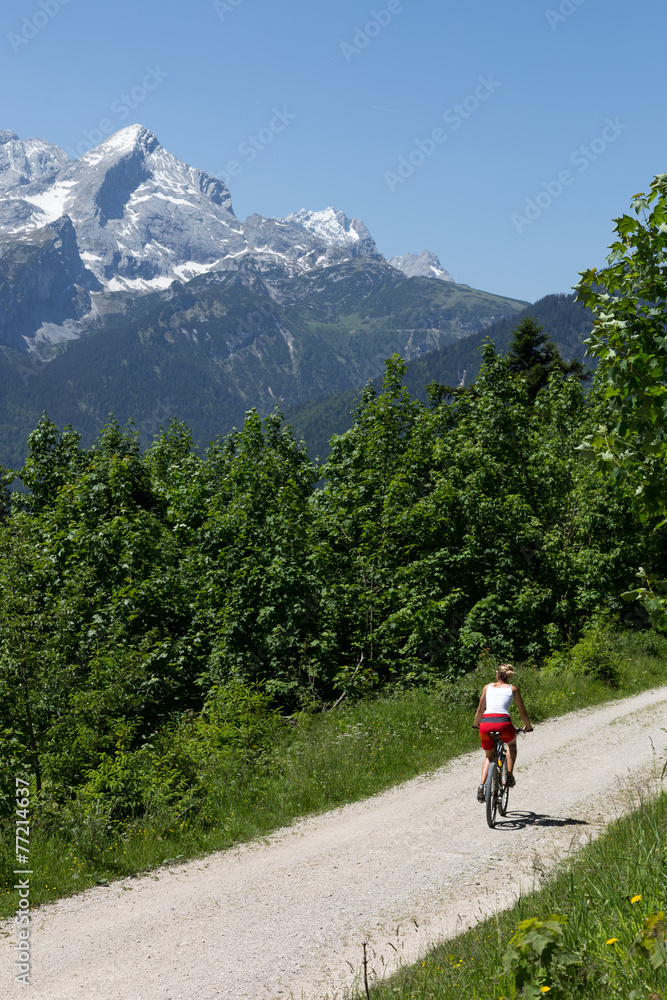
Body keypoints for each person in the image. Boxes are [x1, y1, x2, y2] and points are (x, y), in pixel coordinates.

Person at [472, 663, 533, 803]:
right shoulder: (513, 689)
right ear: (508, 676)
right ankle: (509, 776)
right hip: (503, 723)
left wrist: (476, 724)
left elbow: (480, 709)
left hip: (486, 723)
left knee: (489, 756)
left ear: (497, 675)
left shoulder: (487, 687)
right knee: (511, 745)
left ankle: (482, 785)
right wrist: (528, 726)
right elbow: (522, 711)